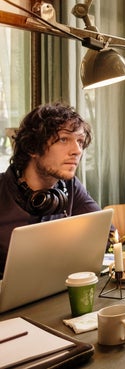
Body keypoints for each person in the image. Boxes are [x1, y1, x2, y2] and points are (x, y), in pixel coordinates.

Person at [0, 102, 101, 277]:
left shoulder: (70, 186)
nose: (77, 151)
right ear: (33, 147)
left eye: (80, 141)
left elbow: (105, 234)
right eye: (63, 139)